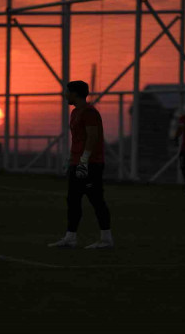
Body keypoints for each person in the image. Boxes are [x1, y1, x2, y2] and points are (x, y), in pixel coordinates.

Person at [48, 80, 113, 249]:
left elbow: (92, 137)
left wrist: (84, 160)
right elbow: (78, 138)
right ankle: (71, 238)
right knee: (73, 199)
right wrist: (71, 159)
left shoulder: (89, 112)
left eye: (67, 91)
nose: (65, 95)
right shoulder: (75, 112)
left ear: (75, 93)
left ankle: (106, 239)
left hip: (90, 163)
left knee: (96, 199)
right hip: (78, 162)